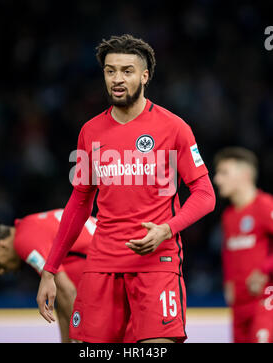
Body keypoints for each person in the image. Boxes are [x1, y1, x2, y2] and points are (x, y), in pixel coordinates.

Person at [37, 34, 216, 343]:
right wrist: (50, 270)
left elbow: (204, 193)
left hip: (157, 265)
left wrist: (166, 230)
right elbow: (80, 201)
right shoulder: (90, 132)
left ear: (145, 76)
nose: (117, 79)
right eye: (110, 71)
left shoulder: (174, 128)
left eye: (127, 71)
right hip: (102, 265)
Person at [0, 209, 97, 343]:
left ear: (1, 246)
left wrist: (84, 341)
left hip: (109, 267)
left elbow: (67, 290)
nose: (1, 272)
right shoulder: (30, 224)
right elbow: (62, 300)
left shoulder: (23, 243)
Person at [214, 147, 273, 343]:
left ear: (245, 174)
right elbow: (228, 252)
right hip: (239, 307)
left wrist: (265, 270)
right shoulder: (228, 216)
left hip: (265, 300)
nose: (217, 179)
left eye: (224, 172)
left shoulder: (265, 206)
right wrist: (228, 282)